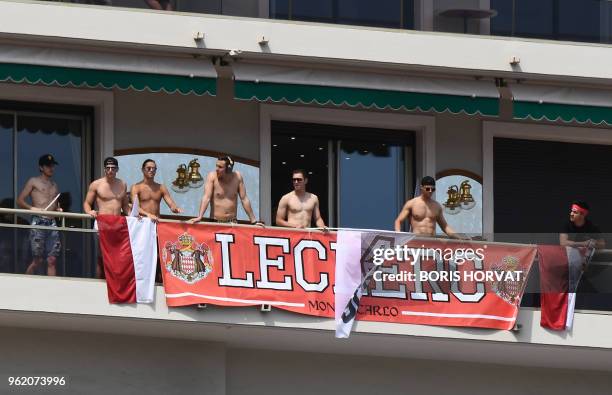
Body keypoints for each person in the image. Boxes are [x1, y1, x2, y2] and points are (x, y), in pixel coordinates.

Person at [83, 157, 130, 278]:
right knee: (101, 256)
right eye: (108, 168)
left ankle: (114, 282)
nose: (110, 170)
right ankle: (99, 284)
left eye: (113, 168)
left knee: (117, 256)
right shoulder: (96, 184)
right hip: (102, 224)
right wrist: (90, 211)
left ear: (117, 169)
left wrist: (133, 215)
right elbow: (87, 203)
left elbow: (125, 206)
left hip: (117, 224)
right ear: (104, 169)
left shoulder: (122, 184)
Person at [17, 154, 63, 276]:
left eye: (52, 166)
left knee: (52, 260)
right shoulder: (33, 181)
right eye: (48, 166)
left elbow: (55, 204)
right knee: (38, 260)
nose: (51, 168)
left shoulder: (54, 185)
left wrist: (59, 209)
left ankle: (51, 290)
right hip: (38, 221)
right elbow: (20, 200)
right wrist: (32, 208)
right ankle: (26, 282)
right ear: (41, 167)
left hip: (52, 223)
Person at [189, 156, 262, 225]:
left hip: (232, 222)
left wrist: (253, 221)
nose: (216, 169)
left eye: (220, 167)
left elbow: (244, 199)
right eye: (216, 166)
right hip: (215, 221)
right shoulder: (212, 176)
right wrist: (200, 216)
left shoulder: (237, 177)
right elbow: (206, 197)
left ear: (228, 169)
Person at [394, 176, 464, 238]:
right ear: (421, 188)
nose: (430, 191)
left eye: (433, 189)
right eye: (428, 189)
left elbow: (445, 227)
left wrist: (459, 237)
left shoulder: (437, 206)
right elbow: (398, 221)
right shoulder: (412, 203)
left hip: (431, 243)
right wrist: (399, 237)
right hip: (416, 241)